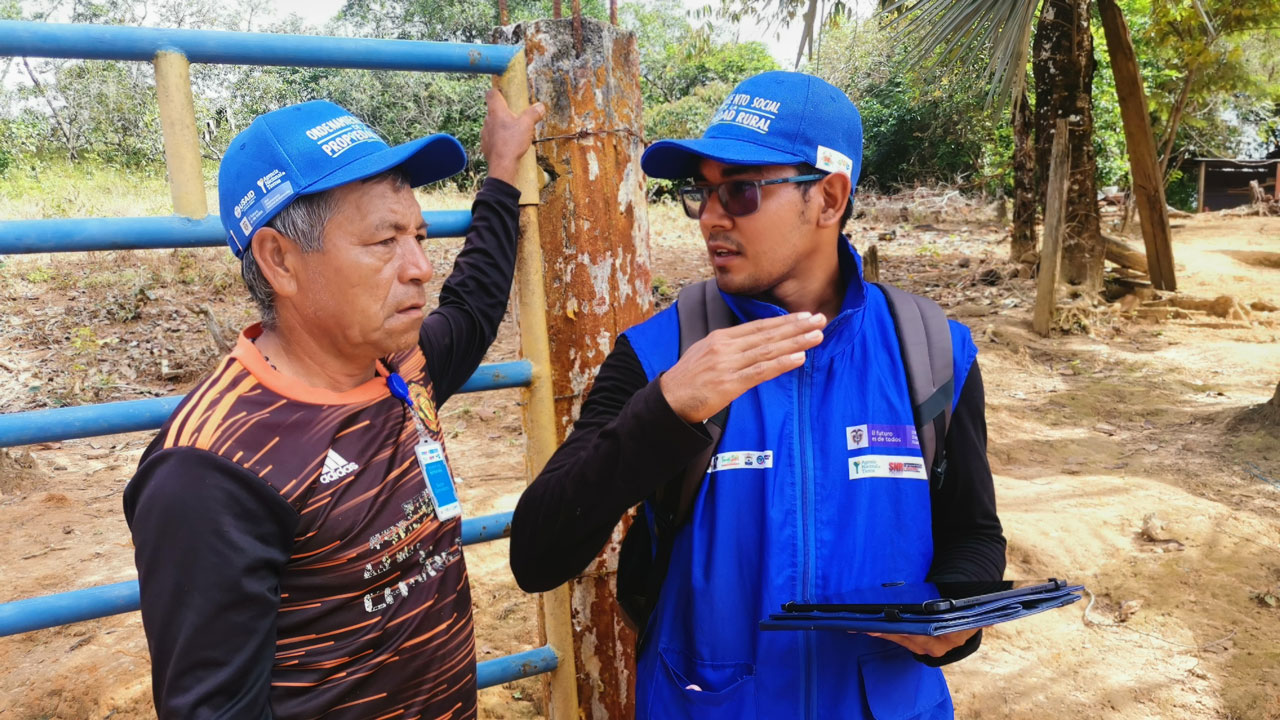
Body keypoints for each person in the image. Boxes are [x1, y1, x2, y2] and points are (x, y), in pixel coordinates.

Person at [509, 70, 1006, 719]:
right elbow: (537, 555)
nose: (710, 218)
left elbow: (973, 532)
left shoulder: (933, 351)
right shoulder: (662, 354)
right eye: (701, 192)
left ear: (829, 198)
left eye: (740, 191)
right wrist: (664, 412)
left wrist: (951, 618)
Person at [123, 90, 544, 718]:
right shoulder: (211, 470)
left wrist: (503, 172)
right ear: (280, 261)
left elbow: (474, 303)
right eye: (385, 241)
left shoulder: (401, 363)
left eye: (420, 236)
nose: (421, 267)